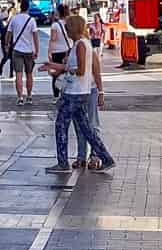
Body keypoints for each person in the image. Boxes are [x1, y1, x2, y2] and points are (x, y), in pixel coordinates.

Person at [44, 13, 113, 175]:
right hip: (79, 91)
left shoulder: (81, 45)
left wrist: (66, 69)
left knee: (61, 125)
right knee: (86, 128)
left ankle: (62, 163)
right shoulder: (80, 44)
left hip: (75, 92)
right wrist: (53, 66)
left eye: (67, 28)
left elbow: (81, 71)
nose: (66, 31)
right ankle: (106, 158)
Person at [74, 24, 106, 169]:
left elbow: (97, 73)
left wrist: (100, 92)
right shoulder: (74, 47)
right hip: (78, 91)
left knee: (92, 123)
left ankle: (95, 155)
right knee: (80, 125)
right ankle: (81, 156)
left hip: (90, 90)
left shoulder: (88, 49)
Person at [5, 0, 40, 105]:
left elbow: (8, 34)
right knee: (29, 74)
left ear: (21, 7)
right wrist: (37, 50)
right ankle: (29, 96)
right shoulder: (31, 20)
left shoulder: (14, 19)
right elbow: (35, 37)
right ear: (28, 7)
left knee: (18, 75)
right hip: (29, 51)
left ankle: (20, 97)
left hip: (17, 50)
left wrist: (6, 45)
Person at [46, 4, 72, 97]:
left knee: (56, 74)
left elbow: (53, 39)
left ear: (58, 12)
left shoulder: (55, 25)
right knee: (68, 73)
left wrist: (49, 51)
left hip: (57, 51)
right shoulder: (70, 23)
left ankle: (56, 95)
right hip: (68, 51)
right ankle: (67, 93)